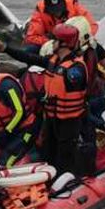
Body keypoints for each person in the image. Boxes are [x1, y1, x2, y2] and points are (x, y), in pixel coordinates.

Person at [40, 24, 89, 176]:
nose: (51, 43)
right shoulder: (54, 61)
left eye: (54, 40)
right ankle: (48, 179)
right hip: (52, 118)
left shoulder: (75, 69)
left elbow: (76, 85)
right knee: (48, 153)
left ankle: (67, 180)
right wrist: (6, 48)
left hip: (69, 121)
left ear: (63, 44)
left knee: (65, 158)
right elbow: (30, 58)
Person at [23, 0, 98, 52]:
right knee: (30, 50)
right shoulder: (40, 11)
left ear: (63, 3)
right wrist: (52, 42)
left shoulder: (73, 5)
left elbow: (93, 25)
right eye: (53, 10)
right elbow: (31, 38)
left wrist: (81, 40)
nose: (57, 13)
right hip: (52, 41)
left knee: (94, 48)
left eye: (58, 9)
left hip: (76, 40)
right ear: (47, 9)